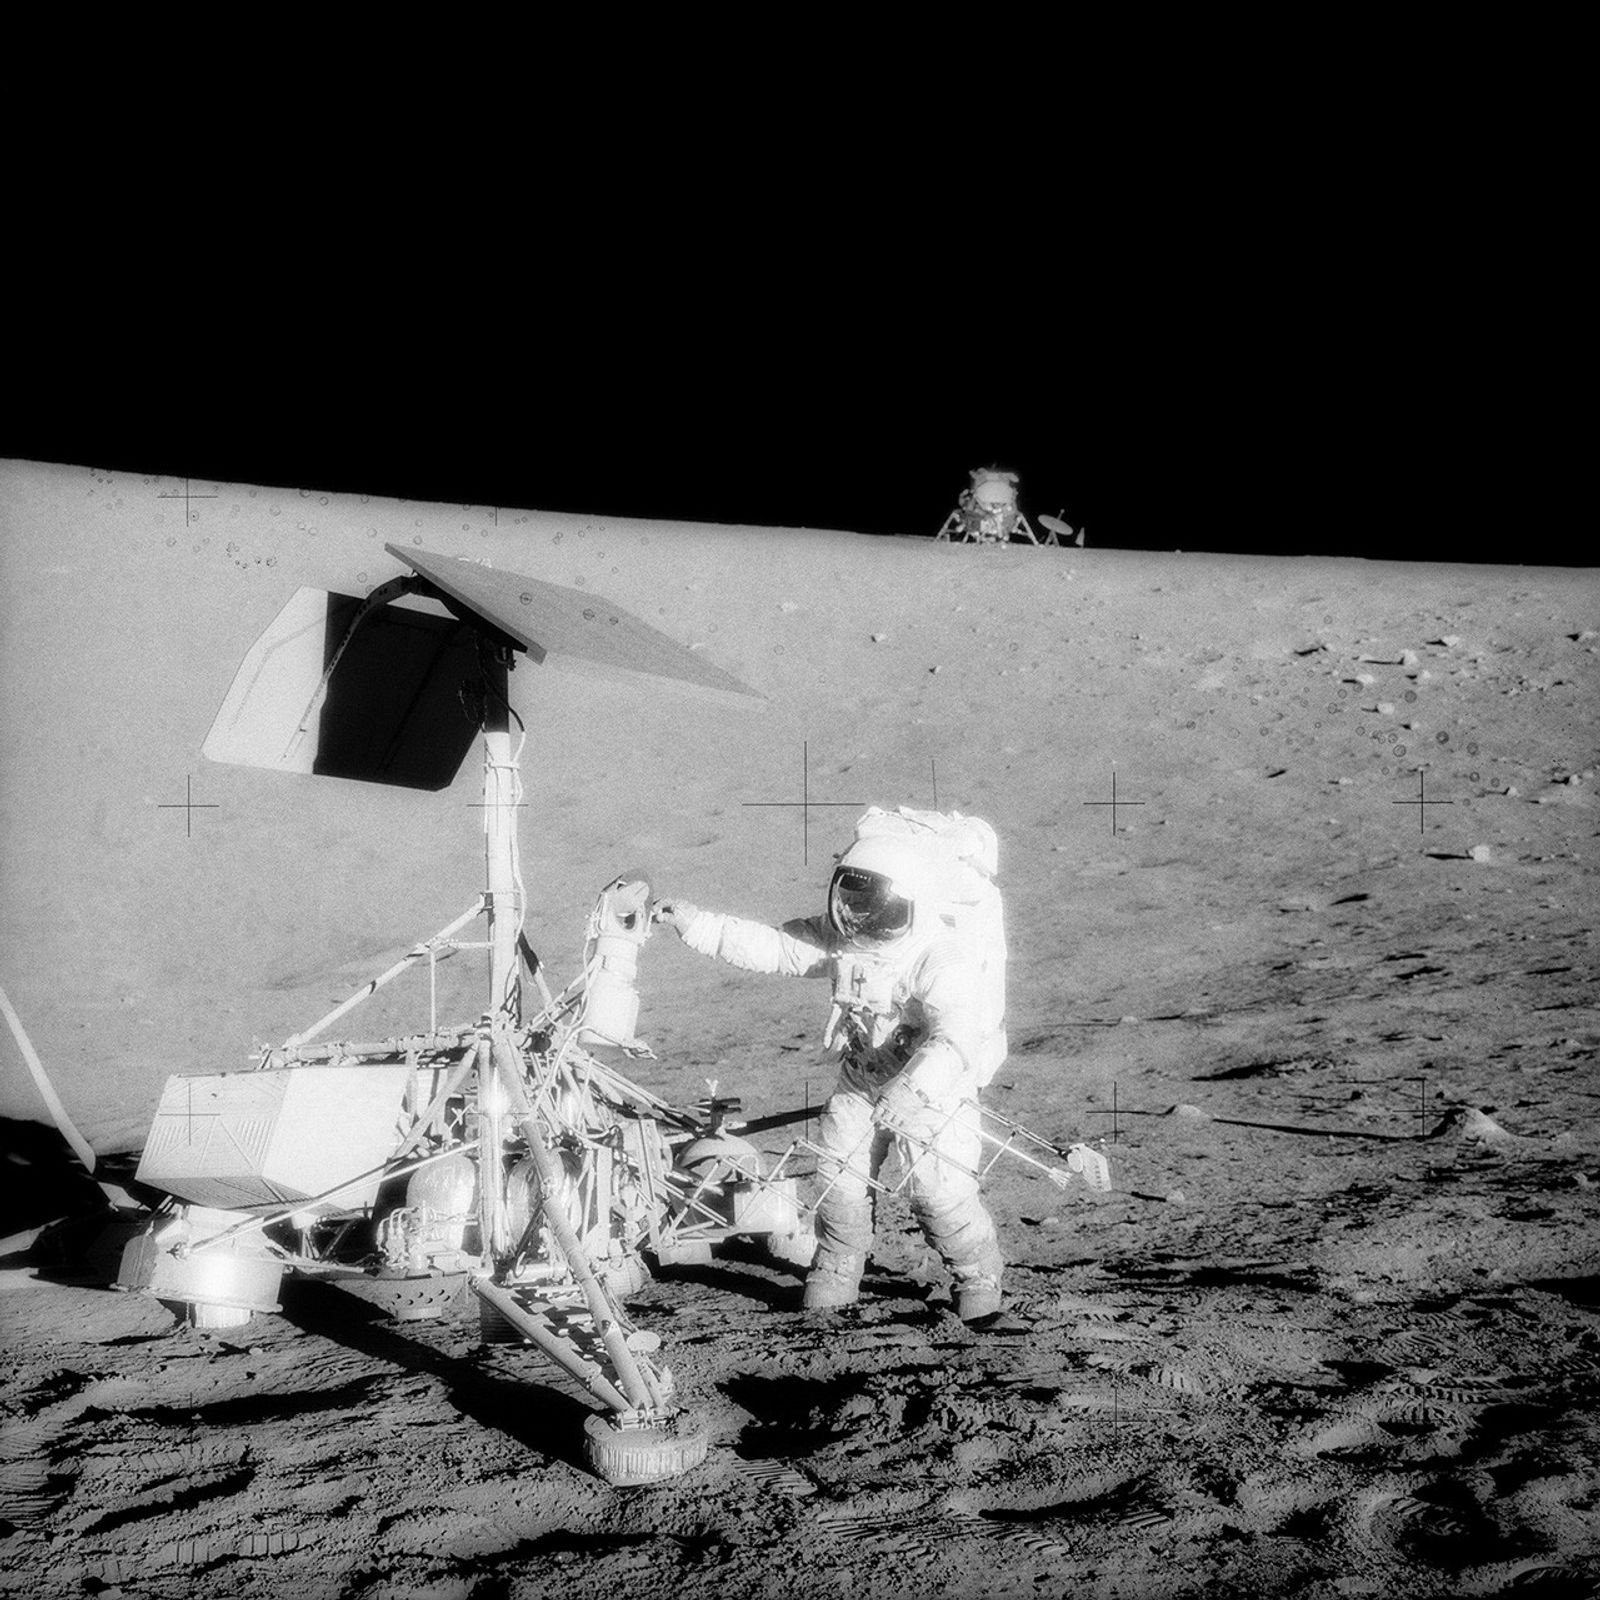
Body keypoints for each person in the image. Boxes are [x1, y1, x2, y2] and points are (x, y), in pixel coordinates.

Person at [653, 832, 1011, 1328]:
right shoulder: (845, 937)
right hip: (863, 1078)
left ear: (912, 903)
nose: (861, 919)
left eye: (877, 909)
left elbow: (957, 1036)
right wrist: (695, 924)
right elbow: (776, 946)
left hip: (932, 1091)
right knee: (839, 1177)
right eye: (853, 904)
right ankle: (839, 1264)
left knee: (937, 1189)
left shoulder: (940, 958)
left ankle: (976, 1276)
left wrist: (912, 1090)